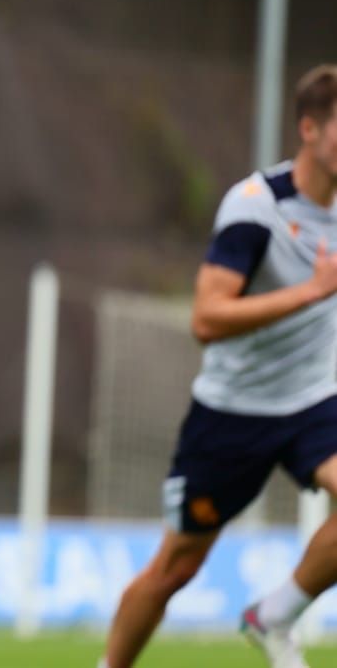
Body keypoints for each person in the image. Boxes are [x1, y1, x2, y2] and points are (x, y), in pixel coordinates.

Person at [101, 65, 337, 668]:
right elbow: (207, 318)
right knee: (176, 567)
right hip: (234, 412)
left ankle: (276, 614)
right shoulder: (256, 207)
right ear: (309, 129)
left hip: (314, 399)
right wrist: (310, 292)